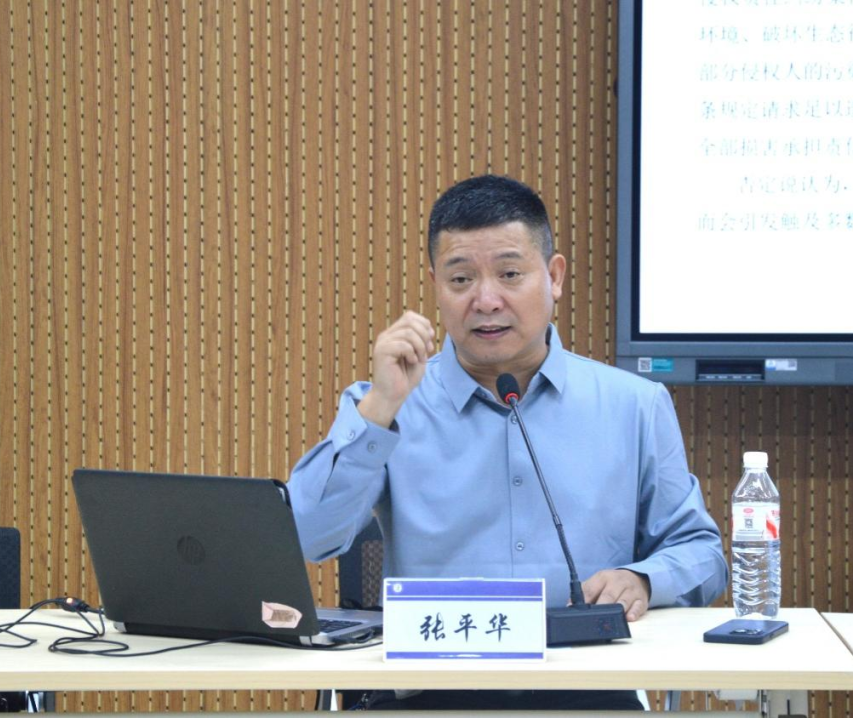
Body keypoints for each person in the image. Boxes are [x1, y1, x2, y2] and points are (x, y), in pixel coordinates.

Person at [288, 175, 726, 711]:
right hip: (427, 697)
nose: (486, 300)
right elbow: (305, 537)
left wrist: (644, 579)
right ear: (436, 286)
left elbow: (702, 554)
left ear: (554, 277)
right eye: (461, 279)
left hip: (586, 697)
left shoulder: (634, 405)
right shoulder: (388, 404)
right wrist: (380, 407)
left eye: (510, 274)